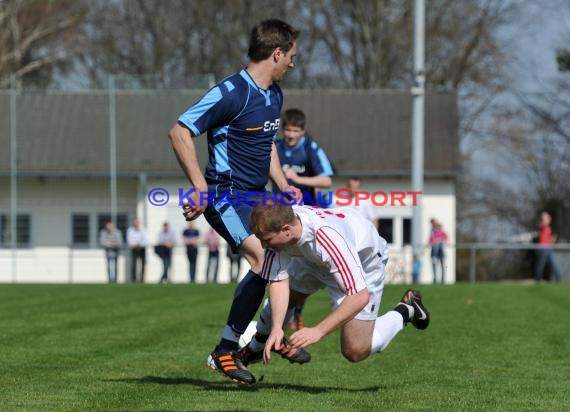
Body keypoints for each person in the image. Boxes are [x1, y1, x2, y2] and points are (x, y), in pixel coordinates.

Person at [168, 19, 302, 384]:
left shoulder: (274, 95)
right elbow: (179, 132)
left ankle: (263, 338)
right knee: (262, 256)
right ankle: (228, 349)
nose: (292, 63)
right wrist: (199, 186)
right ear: (277, 53)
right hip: (225, 196)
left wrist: (283, 182)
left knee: (282, 254)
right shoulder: (230, 92)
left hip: (259, 198)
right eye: (290, 55)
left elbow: (267, 144)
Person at [237, 201, 430, 374]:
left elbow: (359, 296)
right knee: (290, 299)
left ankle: (407, 309)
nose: (262, 246)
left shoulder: (327, 239)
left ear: (286, 230)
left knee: (355, 350)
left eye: (267, 240)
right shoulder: (280, 225)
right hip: (311, 258)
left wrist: (318, 331)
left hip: (363, 262)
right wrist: (277, 328)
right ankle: (256, 346)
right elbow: (278, 281)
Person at [275, 108, 335, 330]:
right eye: (288, 130)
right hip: (280, 212)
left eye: (296, 130)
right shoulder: (276, 148)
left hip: (306, 216)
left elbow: (326, 181)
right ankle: (277, 317)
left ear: (303, 131)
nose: (291, 134)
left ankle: (295, 312)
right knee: (277, 265)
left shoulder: (311, 148)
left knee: (303, 268)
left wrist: (298, 179)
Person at [534, 211, 561, 282]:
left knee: (553, 263)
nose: (547, 219)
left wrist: (552, 240)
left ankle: (558, 279)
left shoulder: (548, 227)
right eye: (545, 217)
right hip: (543, 248)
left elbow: (548, 238)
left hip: (549, 248)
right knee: (540, 264)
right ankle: (538, 279)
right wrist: (545, 217)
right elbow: (542, 224)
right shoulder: (542, 226)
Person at [127, 217, 148, 283]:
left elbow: (145, 241)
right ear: (133, 222)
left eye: (137, 222)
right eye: (135, 222)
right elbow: (130, 241)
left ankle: (142, 280)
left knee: (143, 265)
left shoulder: (143, 230)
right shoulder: (130, 230)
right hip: (134, 249)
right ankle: (134, 280)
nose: (136, 223)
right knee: (133, 265)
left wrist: (139, 243)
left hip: (142, 249)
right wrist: (135, 244)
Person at [428, 218, 448, 284]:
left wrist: (438, 240)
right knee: (434, 265)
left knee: (442, 266)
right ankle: (435, 279)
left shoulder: (442, 233)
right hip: (435, 250)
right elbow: (430, 242)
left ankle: (443, 280)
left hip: (440, 252)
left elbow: (446, 240)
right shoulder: (433, 233)